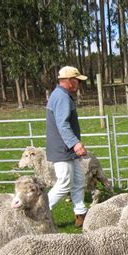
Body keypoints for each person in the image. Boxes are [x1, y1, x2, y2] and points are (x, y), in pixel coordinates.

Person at [46, 66, 88, 227]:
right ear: (69, 80)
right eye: (77, 80)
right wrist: (75, 144)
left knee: (78, 180)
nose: (78, 83)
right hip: (63, 148)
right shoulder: (62, 97)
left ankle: (81, 213)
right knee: (64, 182)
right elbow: (62, 125)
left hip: (66, 148)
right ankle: (40, 212)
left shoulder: (60, 95)